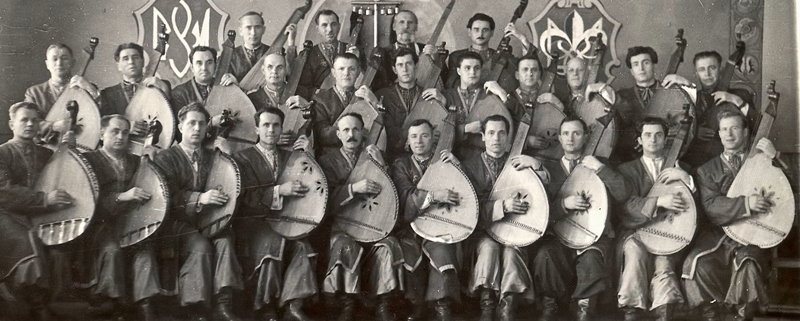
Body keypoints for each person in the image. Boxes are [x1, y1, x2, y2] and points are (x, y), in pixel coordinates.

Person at [153, 103, 244, 320]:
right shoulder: (166, 157)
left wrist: (229, 159)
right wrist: (199, 198)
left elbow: (232, 186)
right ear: (180, 127)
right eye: (191, 123)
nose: (197, 128)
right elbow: (166, 198)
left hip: (208, 219)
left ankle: (223, 303)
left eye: (202, 124)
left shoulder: (213, 155)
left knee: (225, 240)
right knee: (200, 245)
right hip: (176, 223)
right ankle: (196, 307)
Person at [682, 110, 776, 321]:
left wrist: (775, 158)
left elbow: (784, 189)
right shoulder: (706, 170)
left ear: (745, 132)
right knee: (698, 264)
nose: (729, 134)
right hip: (719, 236)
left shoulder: (761, 161)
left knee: (748, 264)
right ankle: (712, 316)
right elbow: (711, 206)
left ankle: (742, 317)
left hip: (755, 233)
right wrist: (746, 203)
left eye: (734, 128)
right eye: (724, 129)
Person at [533, 116, 628, 321]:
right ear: (558, 138)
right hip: (561, 235)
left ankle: (585, 313)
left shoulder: (600, 163)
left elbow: (623, 193)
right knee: (545, 255)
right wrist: (563, 205)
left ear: (585, 137)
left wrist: (600, 168)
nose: (570, 138)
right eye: (566, 133)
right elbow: (540, 212)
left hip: (594, 234)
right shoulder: (550, 169)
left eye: (576, 133)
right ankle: (551, 308)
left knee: (592, 259)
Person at [316, 113, 404, 321]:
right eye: (345, 130)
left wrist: (382, 165)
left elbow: (391, 195)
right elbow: (323, 201)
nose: (351, 134)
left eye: (356, 129)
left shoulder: (375, 155)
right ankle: (346, 304)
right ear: (338, 135)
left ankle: (383, 303)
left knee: (389, 245)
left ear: (364, 132)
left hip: (374, 223)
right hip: (343, 225)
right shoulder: (327, 161)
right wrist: (353, 189)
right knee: (345, 245)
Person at [231, 108, 317, 321]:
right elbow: (244, 198)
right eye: (266, 125)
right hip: (253, 222)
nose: (271, 130)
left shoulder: (291, 157)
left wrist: (309, 156)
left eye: (276, 125)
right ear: (257, 129)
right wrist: (279, 191)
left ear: (281, 129)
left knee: (301, 244)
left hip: (286, 220)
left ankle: (293, 304)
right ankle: (265, 304)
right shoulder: (242, 158)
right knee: (273, 241)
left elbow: (311, 187)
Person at [461, 115, 549, 321]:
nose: (496, 138)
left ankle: (508, 306)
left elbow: (543, 193)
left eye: (502, 133)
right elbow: (469, 209)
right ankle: (487, 304)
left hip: (516, 229)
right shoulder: (471, 166)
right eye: (491, 133)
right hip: (484, 230)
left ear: (509, 138)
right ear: (482, 137)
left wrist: (536, 165)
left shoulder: (519, 162)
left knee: (511, 252)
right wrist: (502, 206)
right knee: (490, 248)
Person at [81, 115, 161, 320]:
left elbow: (153, 187)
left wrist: (153, 161)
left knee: (144, 249)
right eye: (114, 131)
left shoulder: (136, 161)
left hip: (131, 221)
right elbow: (85, 201)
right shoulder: (88, 161)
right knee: (111, 249)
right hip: (99, 224)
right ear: (101, 134)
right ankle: (111, 302)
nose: (120, 136)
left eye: (125, 132)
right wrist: (121, 197)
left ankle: (145, 303)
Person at [616, 117, 693, 321]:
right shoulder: (627, 169)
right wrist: (658, 201)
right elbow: (626, 206)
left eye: (659, 135)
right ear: (639, 140)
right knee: (634, 253)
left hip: (671, 232)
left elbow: (695, 206)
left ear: (666, 139)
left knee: (664, 262)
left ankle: (664, 312)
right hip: (637, 231)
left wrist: (686, 179)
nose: (653, 140)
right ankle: (631, 311)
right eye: (648, 135)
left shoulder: (680, 167)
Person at [389, 119, 462, 321]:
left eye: (424, 135)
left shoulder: (444, 162)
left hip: (440, 225)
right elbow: (404, 196)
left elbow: (463, 194)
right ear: (408, 141)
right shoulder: (401, 165)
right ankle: (417, 306)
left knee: (443, 251)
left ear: (433, 138)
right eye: (414, 136)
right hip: (410, 228)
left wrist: (458, 168)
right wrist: (433, 196)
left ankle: (442, 307)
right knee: (408, 252)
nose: (419, 141)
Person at [0, 102, 66, 321]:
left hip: (39, 214)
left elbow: (61, 173)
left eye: (35, 120)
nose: (30, 124)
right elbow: (4, 190)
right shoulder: (2, 153)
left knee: (58, 249)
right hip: (6, 214)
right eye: (24, 120)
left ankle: (45, 301)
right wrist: (44, 199)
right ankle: (37, 306)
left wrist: (68, 150)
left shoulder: (46, 153)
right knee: (27, 241)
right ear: (12, 124)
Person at [662, 51, 758, 168]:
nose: (707, 74)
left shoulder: (741, 95)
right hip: (696, 162)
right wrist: (695, 131)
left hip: (732, 162)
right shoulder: (691, 97)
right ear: (696, 74)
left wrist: (735, 100)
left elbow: (758, 126)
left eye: (712, 68)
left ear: (720, 70)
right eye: (702, 69)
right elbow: (670, 125)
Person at [614, 46, 696, 165]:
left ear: (654, 66)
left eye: (646, 62)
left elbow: (686, 116)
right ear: (631, 71)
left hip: (668, 156)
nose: (641, 68)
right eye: (636, 64)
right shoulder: (622, 96)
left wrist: (686, 84)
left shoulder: (671, 90)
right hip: (633, 160)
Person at [372, 48, 447, 160]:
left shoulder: (427, 94)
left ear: (416, 66)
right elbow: (386, 131)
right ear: (394, 69)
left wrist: (442, 102)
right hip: (393, 156)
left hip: (424, 156)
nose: (405, 69)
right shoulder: (383, 95)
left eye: (409, 64)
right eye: (400, 65)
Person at [444, 52, 519, 157]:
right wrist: (465, 129)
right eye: (467, 68)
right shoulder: (448, 95)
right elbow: (440, 132)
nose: (472, 72)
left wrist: (502, 93)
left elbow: (517, 118)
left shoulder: (489, 93)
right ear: (458, 71)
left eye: (477, 68)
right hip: (452, 156)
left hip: (484, 157)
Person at [98, 43, 171, 141]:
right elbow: (105, 127)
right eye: (125, 59)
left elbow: (169, 117)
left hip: (153, 145)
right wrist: (126, 126)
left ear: (143, 62)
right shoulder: (108, 94)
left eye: (135, 57)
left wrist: (164, 89)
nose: (131, 62)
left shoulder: (159, 85)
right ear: (118, 66)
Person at [312, 53, 381, 155]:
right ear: (333, 73)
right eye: (341, 69)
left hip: (362, 156)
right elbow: (323, 135)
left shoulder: (367, 96)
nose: (346, 73)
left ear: (358, 72)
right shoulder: (320, 99)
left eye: (352, 69)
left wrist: (375, 103)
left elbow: (378, 130)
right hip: (332, 157)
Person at [247, 52, 312, 148]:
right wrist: (273, 139)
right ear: (263, 70)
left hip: (293, 150)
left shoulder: (301, 93)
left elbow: (310, 128)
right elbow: (249, 133)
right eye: (270, 67)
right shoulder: (252, 98)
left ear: (286, 70)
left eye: (279, 67)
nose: (274, 71)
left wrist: (307, 107)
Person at [218, 11, 298, 83]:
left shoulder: (274, 53)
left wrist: (291, 43)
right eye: (248, 28)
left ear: (263, 30)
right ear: (240, 31)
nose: (253, 33)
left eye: (257, 27)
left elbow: (291, 77)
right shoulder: (230, 56)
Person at [297, 9, 362, 98]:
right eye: (324, 25)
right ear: (317, 29)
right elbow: (303, 87)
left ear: (339, 26)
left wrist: (357, 60)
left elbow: (363, 83)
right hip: (319, 103)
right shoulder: (310, 54)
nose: (330, 29)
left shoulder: (352, 49)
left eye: (333, 24)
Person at [25, 44, 99, 116]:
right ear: (47, 64)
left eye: (64, 58)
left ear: (72, 63)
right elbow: (28, 121)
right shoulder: (34, 93)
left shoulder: (86, 87)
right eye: (54, 59)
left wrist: (91, 90)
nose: (59, 63)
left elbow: (98, 115)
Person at [373, 10, 440, 90]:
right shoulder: (383, 53)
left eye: (410, 22)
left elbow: (441, 82)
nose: (406, 26)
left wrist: (436, 59)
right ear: (394, 26)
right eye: (401, 22)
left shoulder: (427, 49)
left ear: (416, 27)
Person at [169, 46, 219, 113]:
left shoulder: (225, 88)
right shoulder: (179, 94)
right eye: (199, 63)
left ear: (215, 66)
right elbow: (181, 122)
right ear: (192, 68)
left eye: (209, 63)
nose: (204, 68)